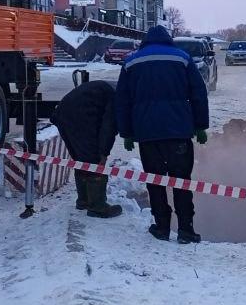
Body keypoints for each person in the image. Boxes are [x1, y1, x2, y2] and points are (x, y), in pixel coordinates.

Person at [115, 25, 211, 244]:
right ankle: (186, 230)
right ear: (169, 40)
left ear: (146, 41)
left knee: (155, 182)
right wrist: (200, 126)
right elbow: (199, 93)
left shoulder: (131, 62)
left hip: (148, 134)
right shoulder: (183, 58)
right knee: (181, 182)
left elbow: (122, 100)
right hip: (179, 132)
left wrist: (127, 132)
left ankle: (162, 227)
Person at [51, 79, 122, 218]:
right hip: (80, 117)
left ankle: (84, 201)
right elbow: (108, 127)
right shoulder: (118, 97)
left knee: (81, 160)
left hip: (62, 114)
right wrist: (103, 153)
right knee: (94, 159)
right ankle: (97, 207)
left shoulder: (112, 88)